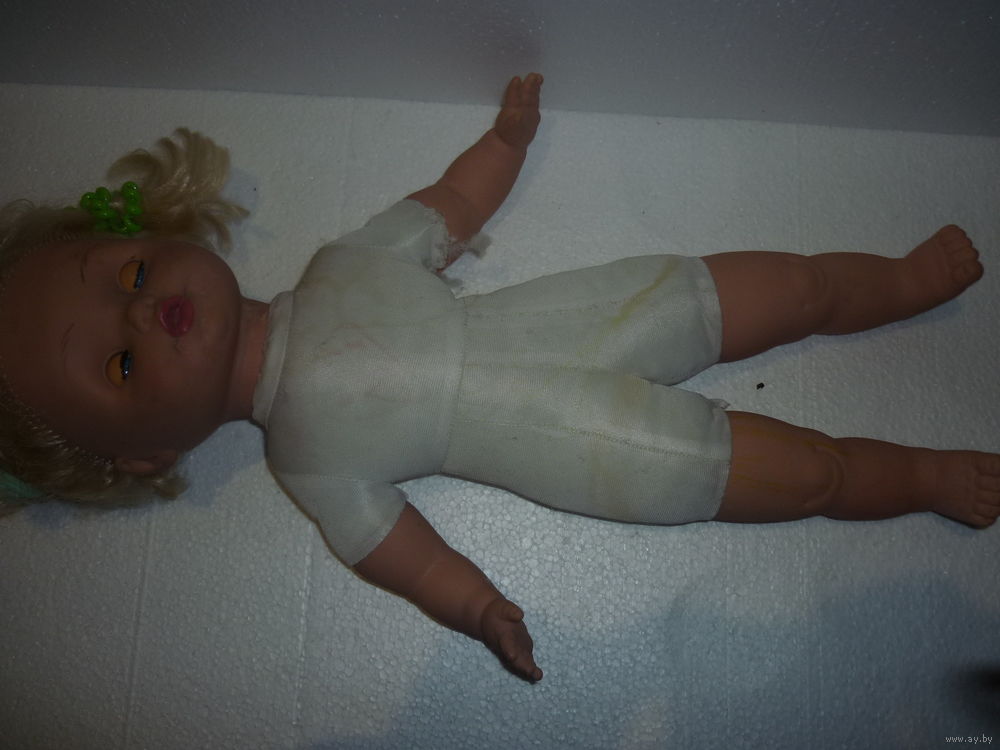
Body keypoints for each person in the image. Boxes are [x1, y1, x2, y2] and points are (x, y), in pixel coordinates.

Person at [0, 74, 996, 683]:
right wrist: (478, 607)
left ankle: (903, 280)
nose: (143, 313)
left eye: (130, 276)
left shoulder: (342, 265)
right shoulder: (308, 461)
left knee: (796, 287)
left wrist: (504, 142)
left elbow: (449, 207)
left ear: (158, 235)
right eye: (120, 362)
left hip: (608, 310)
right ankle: (922, 477)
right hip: (600, 454)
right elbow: (406, 557)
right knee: (809, 474)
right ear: (145, 453)